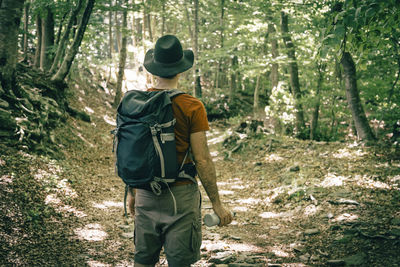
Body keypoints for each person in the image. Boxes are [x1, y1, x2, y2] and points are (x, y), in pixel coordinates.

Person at [126, 35, 233, 267]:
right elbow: (202, 160)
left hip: (145, 193)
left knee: (143, 261)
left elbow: (133, 151)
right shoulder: (192, 106)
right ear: (180, 70)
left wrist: (132, 192)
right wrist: (217, 203)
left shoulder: (138, 105)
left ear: (154, 70)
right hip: (181, 198)